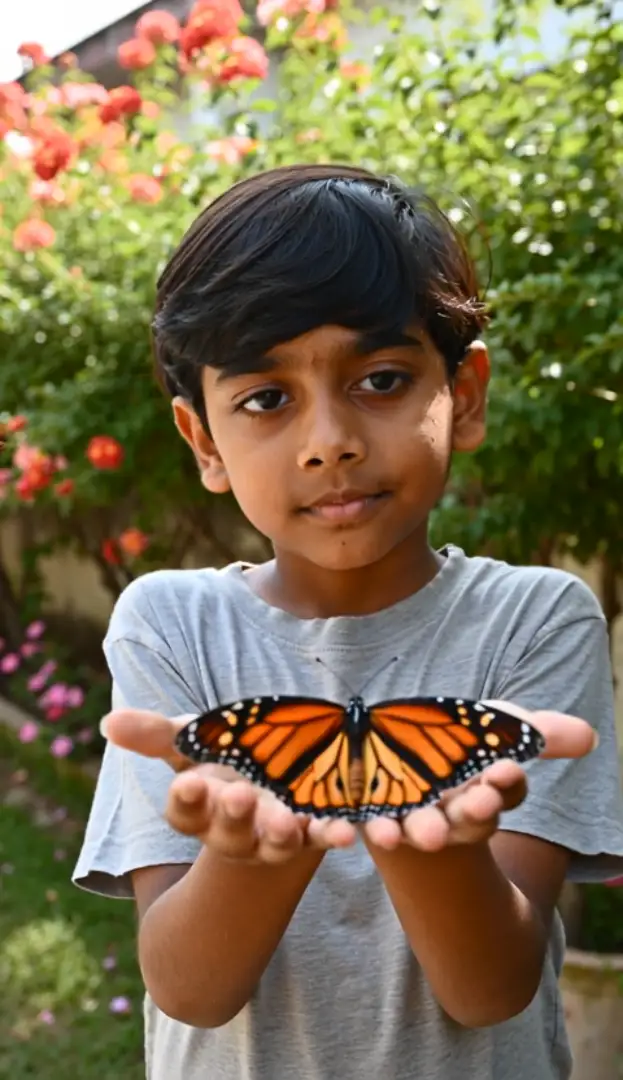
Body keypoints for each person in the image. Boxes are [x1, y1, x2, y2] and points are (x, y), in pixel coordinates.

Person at [73, 163, 623, 1080]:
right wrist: (255, 854)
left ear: (466, 393)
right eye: (265, 398)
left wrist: (439, 848)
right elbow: (188, 989)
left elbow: (490, 990)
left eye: (379, 378)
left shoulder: (534, 619)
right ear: (203, 441)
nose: (329, 438)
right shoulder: (168, 624)